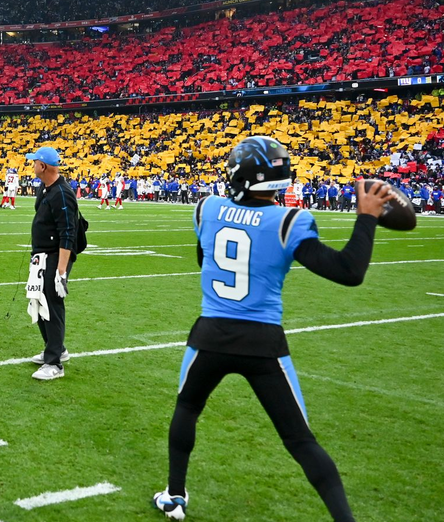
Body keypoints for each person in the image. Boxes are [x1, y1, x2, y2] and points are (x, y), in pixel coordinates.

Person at [152, 137, 394, 522]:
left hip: (211, 335)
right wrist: (366, 217)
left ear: (239, 176)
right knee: (300, 440)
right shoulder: (289, 221)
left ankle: (175, 495)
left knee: (187, 408)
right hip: (263, 341)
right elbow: (349, 271)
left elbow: (205, 258)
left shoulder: (206, 208)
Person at [24, 146, 81, 381]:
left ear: (43, 166)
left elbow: (68, 232)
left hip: (56, 257)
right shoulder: (45, 188)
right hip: (42, 256)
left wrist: (61, 271)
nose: (32, 165)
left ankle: (54, 362)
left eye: (34, 162)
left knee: (52, 304)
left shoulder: (62, 193)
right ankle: (55, 348)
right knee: (39, 300)